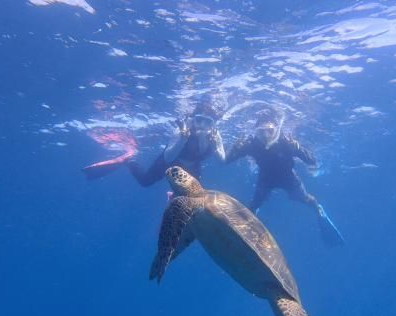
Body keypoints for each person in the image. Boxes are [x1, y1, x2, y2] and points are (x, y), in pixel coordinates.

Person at [225, 107, 345, 247]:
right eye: (261, 132)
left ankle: (319, 209)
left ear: (277, 129)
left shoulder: (287, 143)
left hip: (288, 178)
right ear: (255, 132)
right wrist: (235, 147)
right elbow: (228, 160)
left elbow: (311, 160)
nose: (265, 135)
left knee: (305, 199)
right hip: (265, 180)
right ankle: (246, 231)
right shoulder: (252, 145)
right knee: (254, 206)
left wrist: (298, 147)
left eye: (270, 130)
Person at [82, 98, 226, 186]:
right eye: (198, 120)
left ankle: (173, 197)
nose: (201, 125)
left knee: (193, 195)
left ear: (213, 125)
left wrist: (214, 147)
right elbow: (168, 157)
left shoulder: (214, 135)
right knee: (145, 181)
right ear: (192, 119)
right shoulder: (183, 129)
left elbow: (222, 161)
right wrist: (182, 139)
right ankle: (129, 160)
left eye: (207, 122)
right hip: (171, 160)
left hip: (193, 165)